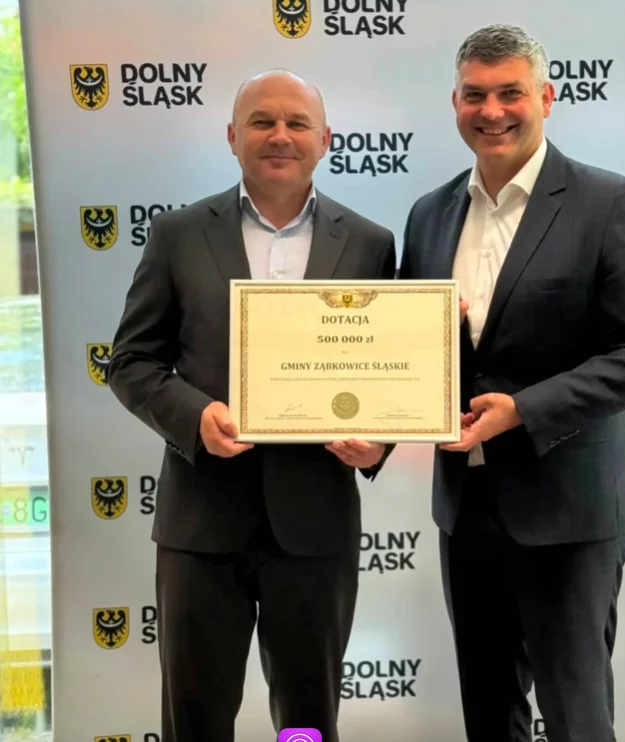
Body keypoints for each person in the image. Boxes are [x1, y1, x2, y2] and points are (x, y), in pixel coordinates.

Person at [399, 24, 625, 742]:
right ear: (454, 103)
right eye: (474, 95)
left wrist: (523, 410)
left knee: (576, 716)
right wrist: (373, 430)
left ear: (547, 98)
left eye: (510, 93)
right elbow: (404, 353)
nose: (491, 111)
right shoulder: (429, 214)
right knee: (488, 715)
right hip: (466, 506)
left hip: (570, 508)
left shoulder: (610, 202)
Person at [108, 70, 396, 742]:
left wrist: (379, 440)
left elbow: (387, 370)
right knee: (196, 720)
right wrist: (195, 417)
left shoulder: (371, 243)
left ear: (325, 139)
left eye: (297, 123)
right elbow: (131, 362)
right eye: (262, 121)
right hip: (201, 524)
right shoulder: (178, 234)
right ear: (233, 136)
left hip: (316, 526)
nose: (280, 136)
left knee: (307, 724)